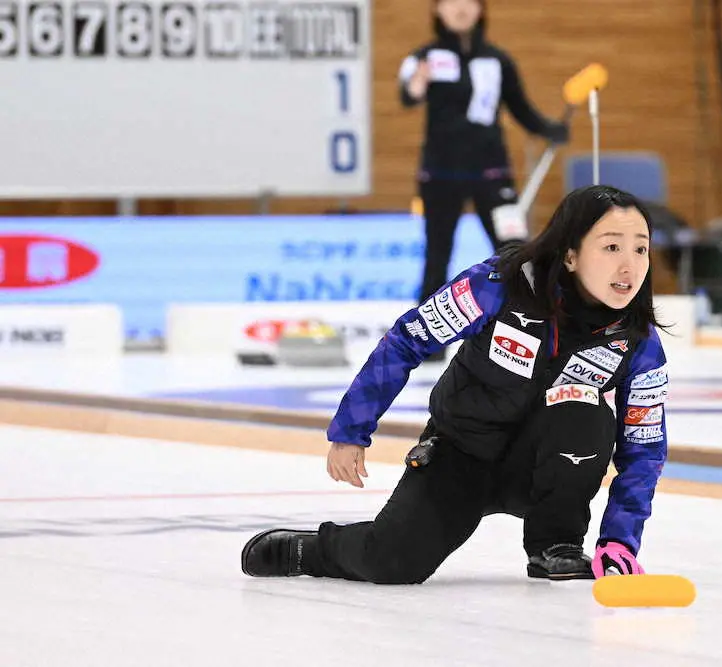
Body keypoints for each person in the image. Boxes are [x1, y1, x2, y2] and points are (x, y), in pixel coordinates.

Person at [241, 185, 670, 583]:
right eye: (611, 247)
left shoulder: (639, 341)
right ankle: (311, 551)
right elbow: (407, 341)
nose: (628, 265)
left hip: (543, 470)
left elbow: (644, 449)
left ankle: (555, 544)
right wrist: (352, 431)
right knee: (394, 563)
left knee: (586, 411)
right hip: (461, 452)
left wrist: (619, 542)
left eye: (641, 249)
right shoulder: (499, 284)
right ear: (571, 254)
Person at [400, 0, 571, 307]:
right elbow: (407, 96)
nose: (460, 8)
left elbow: (521, 108)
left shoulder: (498, 60)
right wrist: (418, 83)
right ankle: (429, 341)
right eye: (451, 2)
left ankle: (529, 325)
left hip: (491, 172)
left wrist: (549, 129)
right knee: (438, 255)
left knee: (514, 250)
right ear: (437, 9)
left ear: (481, 9)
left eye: (469, 1)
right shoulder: (424, 58)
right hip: (441, 173)